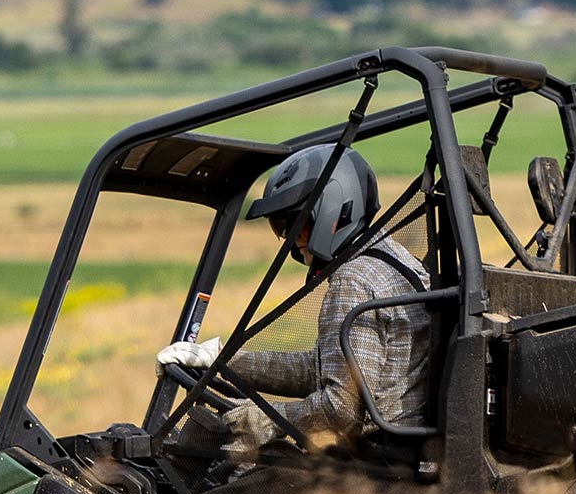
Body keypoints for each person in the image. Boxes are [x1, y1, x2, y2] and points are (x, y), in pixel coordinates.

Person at [157, 142, 430, 448]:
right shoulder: (392, 259)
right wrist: (224, 360)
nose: (290, 238)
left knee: (219, 491)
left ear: (334, 211)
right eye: (282, 227)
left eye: (298, 224)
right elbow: (322, 369)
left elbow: (343, 411)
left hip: (374, 464)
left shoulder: (352, 280)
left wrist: (267, 418)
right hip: (399, 453)